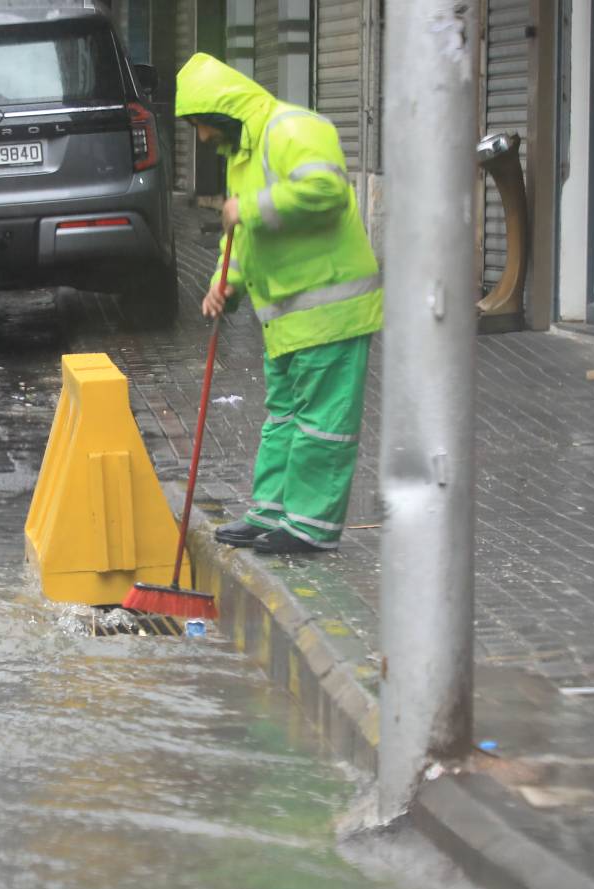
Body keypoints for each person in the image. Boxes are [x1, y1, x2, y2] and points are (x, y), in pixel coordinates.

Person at [175, 53, 383, 555]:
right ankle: (272, 511)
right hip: (286, 319)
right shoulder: (242, 159)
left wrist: (249, 207)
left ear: (224, 114)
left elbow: (326, 191)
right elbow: (241, 236)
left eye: (202, 125)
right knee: (285, 419)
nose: (202, 138)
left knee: (322, 426)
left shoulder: (293, 129)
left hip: (331, 312)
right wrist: (225, 285)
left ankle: (309, 527)